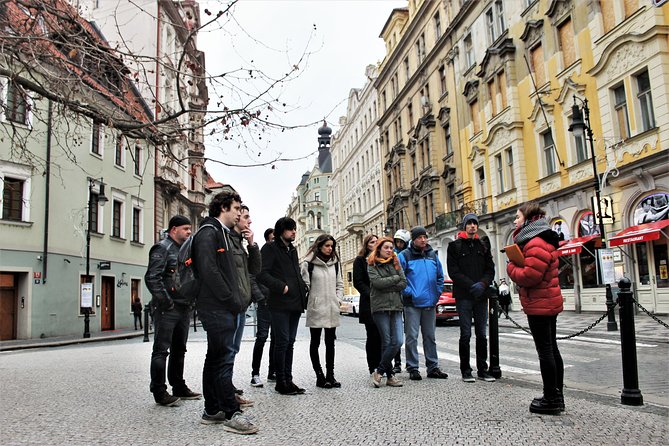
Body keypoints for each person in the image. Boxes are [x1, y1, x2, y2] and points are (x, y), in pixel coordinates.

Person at [194, 190, 258, 434]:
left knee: (215, 359)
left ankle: (212, 410)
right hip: (217, 307)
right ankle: (231, 413)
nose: (238, 213)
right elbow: (209, 271)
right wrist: (231, 299)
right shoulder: (209, 233)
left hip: (221, 306)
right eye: (235, 209)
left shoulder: (219, 232)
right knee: (221, 362)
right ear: (223, 208)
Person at [507, 201, 565, 415]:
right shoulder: (541, 239)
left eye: (518, 217)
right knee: (552, 349)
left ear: (529, 220)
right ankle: (557, 395)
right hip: (547, 301)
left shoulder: (535, 242)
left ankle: (551, 398)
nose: (515, 221)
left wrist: (511, 266)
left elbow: (530, 276)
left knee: (546, 351)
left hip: (540, 303)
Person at [144, 215, 201, 406]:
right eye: (185, 228)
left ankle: (179, 386)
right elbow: (153, 278)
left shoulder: (184, 250)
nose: (189, 232)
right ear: (174, 229)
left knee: (179, 349)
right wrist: (166, 302)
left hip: (183, 307)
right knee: (161, 350)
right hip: (167, 309)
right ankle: (159, 391)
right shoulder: (162, 248)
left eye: (189, 229)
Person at [257, 217, 308, 396]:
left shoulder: (292, 250)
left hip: (295, 301)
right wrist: (281, 286)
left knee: (291, 342)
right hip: (279, 302)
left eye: (294, 229)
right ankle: (280, 382)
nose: (294, 232)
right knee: (282, 342)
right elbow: (261, 274)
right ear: (281, 231)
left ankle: (288, 379)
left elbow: (295, 273)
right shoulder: (270, 248)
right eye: (290, 229)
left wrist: (302, 289)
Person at [447, 213, 496, 383]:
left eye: (475, 223)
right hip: (464, 296)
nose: (473, 226)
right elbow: (453, 272)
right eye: (470, 223)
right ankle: (466, 370)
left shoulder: (482, 245)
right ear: (464, 226)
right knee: (465, 334)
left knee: (482, 334)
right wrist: (470, 285)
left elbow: (490, 269)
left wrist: (482, 284)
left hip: (481, 296)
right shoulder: (454, 246)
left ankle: (483, 369)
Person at [398, 226, 449, 381]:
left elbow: (440, 276)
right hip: (412, 303)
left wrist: (437, 293)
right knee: (412, 337)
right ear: (413, 239)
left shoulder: (432, 255)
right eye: (419, 237)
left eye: (425, 237)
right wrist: (410, 293)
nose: (423, 239)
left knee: (430, 336)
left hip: (430, 302)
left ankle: (433, 367)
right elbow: (399, 278)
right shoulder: (404, 256)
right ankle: (413, 367)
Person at [228, 203, 261, 408]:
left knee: (233, 349)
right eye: (246, 216)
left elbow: (254, 270)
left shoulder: (240, 241)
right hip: (232, 303)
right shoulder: (227, 239)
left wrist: (252, 244)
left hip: (241, 303)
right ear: (237, 217)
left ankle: (228, 388)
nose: (249, 220)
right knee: (227, 350)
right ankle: (225, 393)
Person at [301, 234, 344, 388]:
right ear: (319, 246)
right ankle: (319, 376)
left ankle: (330, 375)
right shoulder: (308, 264)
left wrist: (337, 299)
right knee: (315, 342)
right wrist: (312, 302)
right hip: (316, 308)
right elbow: (304, 287)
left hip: (332, 308)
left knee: (330, 343)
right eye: (327, 246)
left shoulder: (336, 263)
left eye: (332, 246)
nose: (330, 249)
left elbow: (340, 284)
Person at [368, 237, 407, 388]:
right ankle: (390, 376)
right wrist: (395, 279)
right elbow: (377, 283)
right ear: (379, 248)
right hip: (380, 307)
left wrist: (389, 283)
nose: (390, 250)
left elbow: (403, 283)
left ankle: (379, 371)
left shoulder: (396, 262)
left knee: (397, 341)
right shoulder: (372, 263)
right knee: (387, 341)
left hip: (396, 306)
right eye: (386, 247)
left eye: (391, 248)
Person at [250, 228, 276, 388]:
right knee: (261, 337)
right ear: (267, 240)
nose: (274, 242)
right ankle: (255, 373)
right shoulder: (260, 257)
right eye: (272, 239)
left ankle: (272, 371)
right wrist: (260, 298)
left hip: (278, 303)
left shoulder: (279, 257)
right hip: (264, 303)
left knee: (277, 338)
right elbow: (252, 278)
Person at [353, 234, 381, 376]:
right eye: (372, 242)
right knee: (372, 336)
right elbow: (358, 281)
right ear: (366, 244)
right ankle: (373, 367)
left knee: (384, 336)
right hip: (368, 303)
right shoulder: (360, 260)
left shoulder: (382, 258)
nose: (375, 244)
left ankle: (384, 366)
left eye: (377, 241)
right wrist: (370, 294)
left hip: (382, 302)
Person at [391, 229, 411, 373]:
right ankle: (396, 362)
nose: (399, 244)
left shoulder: (408, 255)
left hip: (407, 295)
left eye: (401, 242)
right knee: (395, 331)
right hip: (396, 295)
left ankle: (410, 362)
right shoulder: (391, 255)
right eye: (397, 241)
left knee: (409, 331)